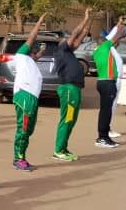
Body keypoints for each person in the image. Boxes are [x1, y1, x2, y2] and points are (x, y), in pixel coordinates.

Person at [3, 13, 47, 172]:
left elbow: (37, 55)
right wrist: (39, 22)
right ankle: (18, 159)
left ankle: (22, 156)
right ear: (30, 53)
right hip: (24, 96)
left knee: (28, 129)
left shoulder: (30, 61)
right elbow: (31, 38)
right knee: (23, 128)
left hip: (31, 98)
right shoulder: (21, 56)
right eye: (35, 52)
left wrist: (42, 50)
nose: (37, 55)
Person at [53, 9, 91, 161]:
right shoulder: (62, 49)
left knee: (71, 120)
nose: (73, 42)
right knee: (67, 119)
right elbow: (75, 34)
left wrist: (87, 27)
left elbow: (78, 39)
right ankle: (58, 150)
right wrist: (85, 18)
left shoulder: (69, 52)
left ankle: (63, 148)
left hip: (74, 89)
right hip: (68, 89)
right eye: (68, 41)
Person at [93, 17, 125, 148]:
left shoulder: (97, 52)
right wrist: (120, 27)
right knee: (106, 111)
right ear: (104, 43)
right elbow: (115, 36)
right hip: (107, 83)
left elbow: (112, 38)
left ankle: (104, 136)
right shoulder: (105, 47)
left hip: (102, 82)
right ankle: (102, 138)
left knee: (105, 111)